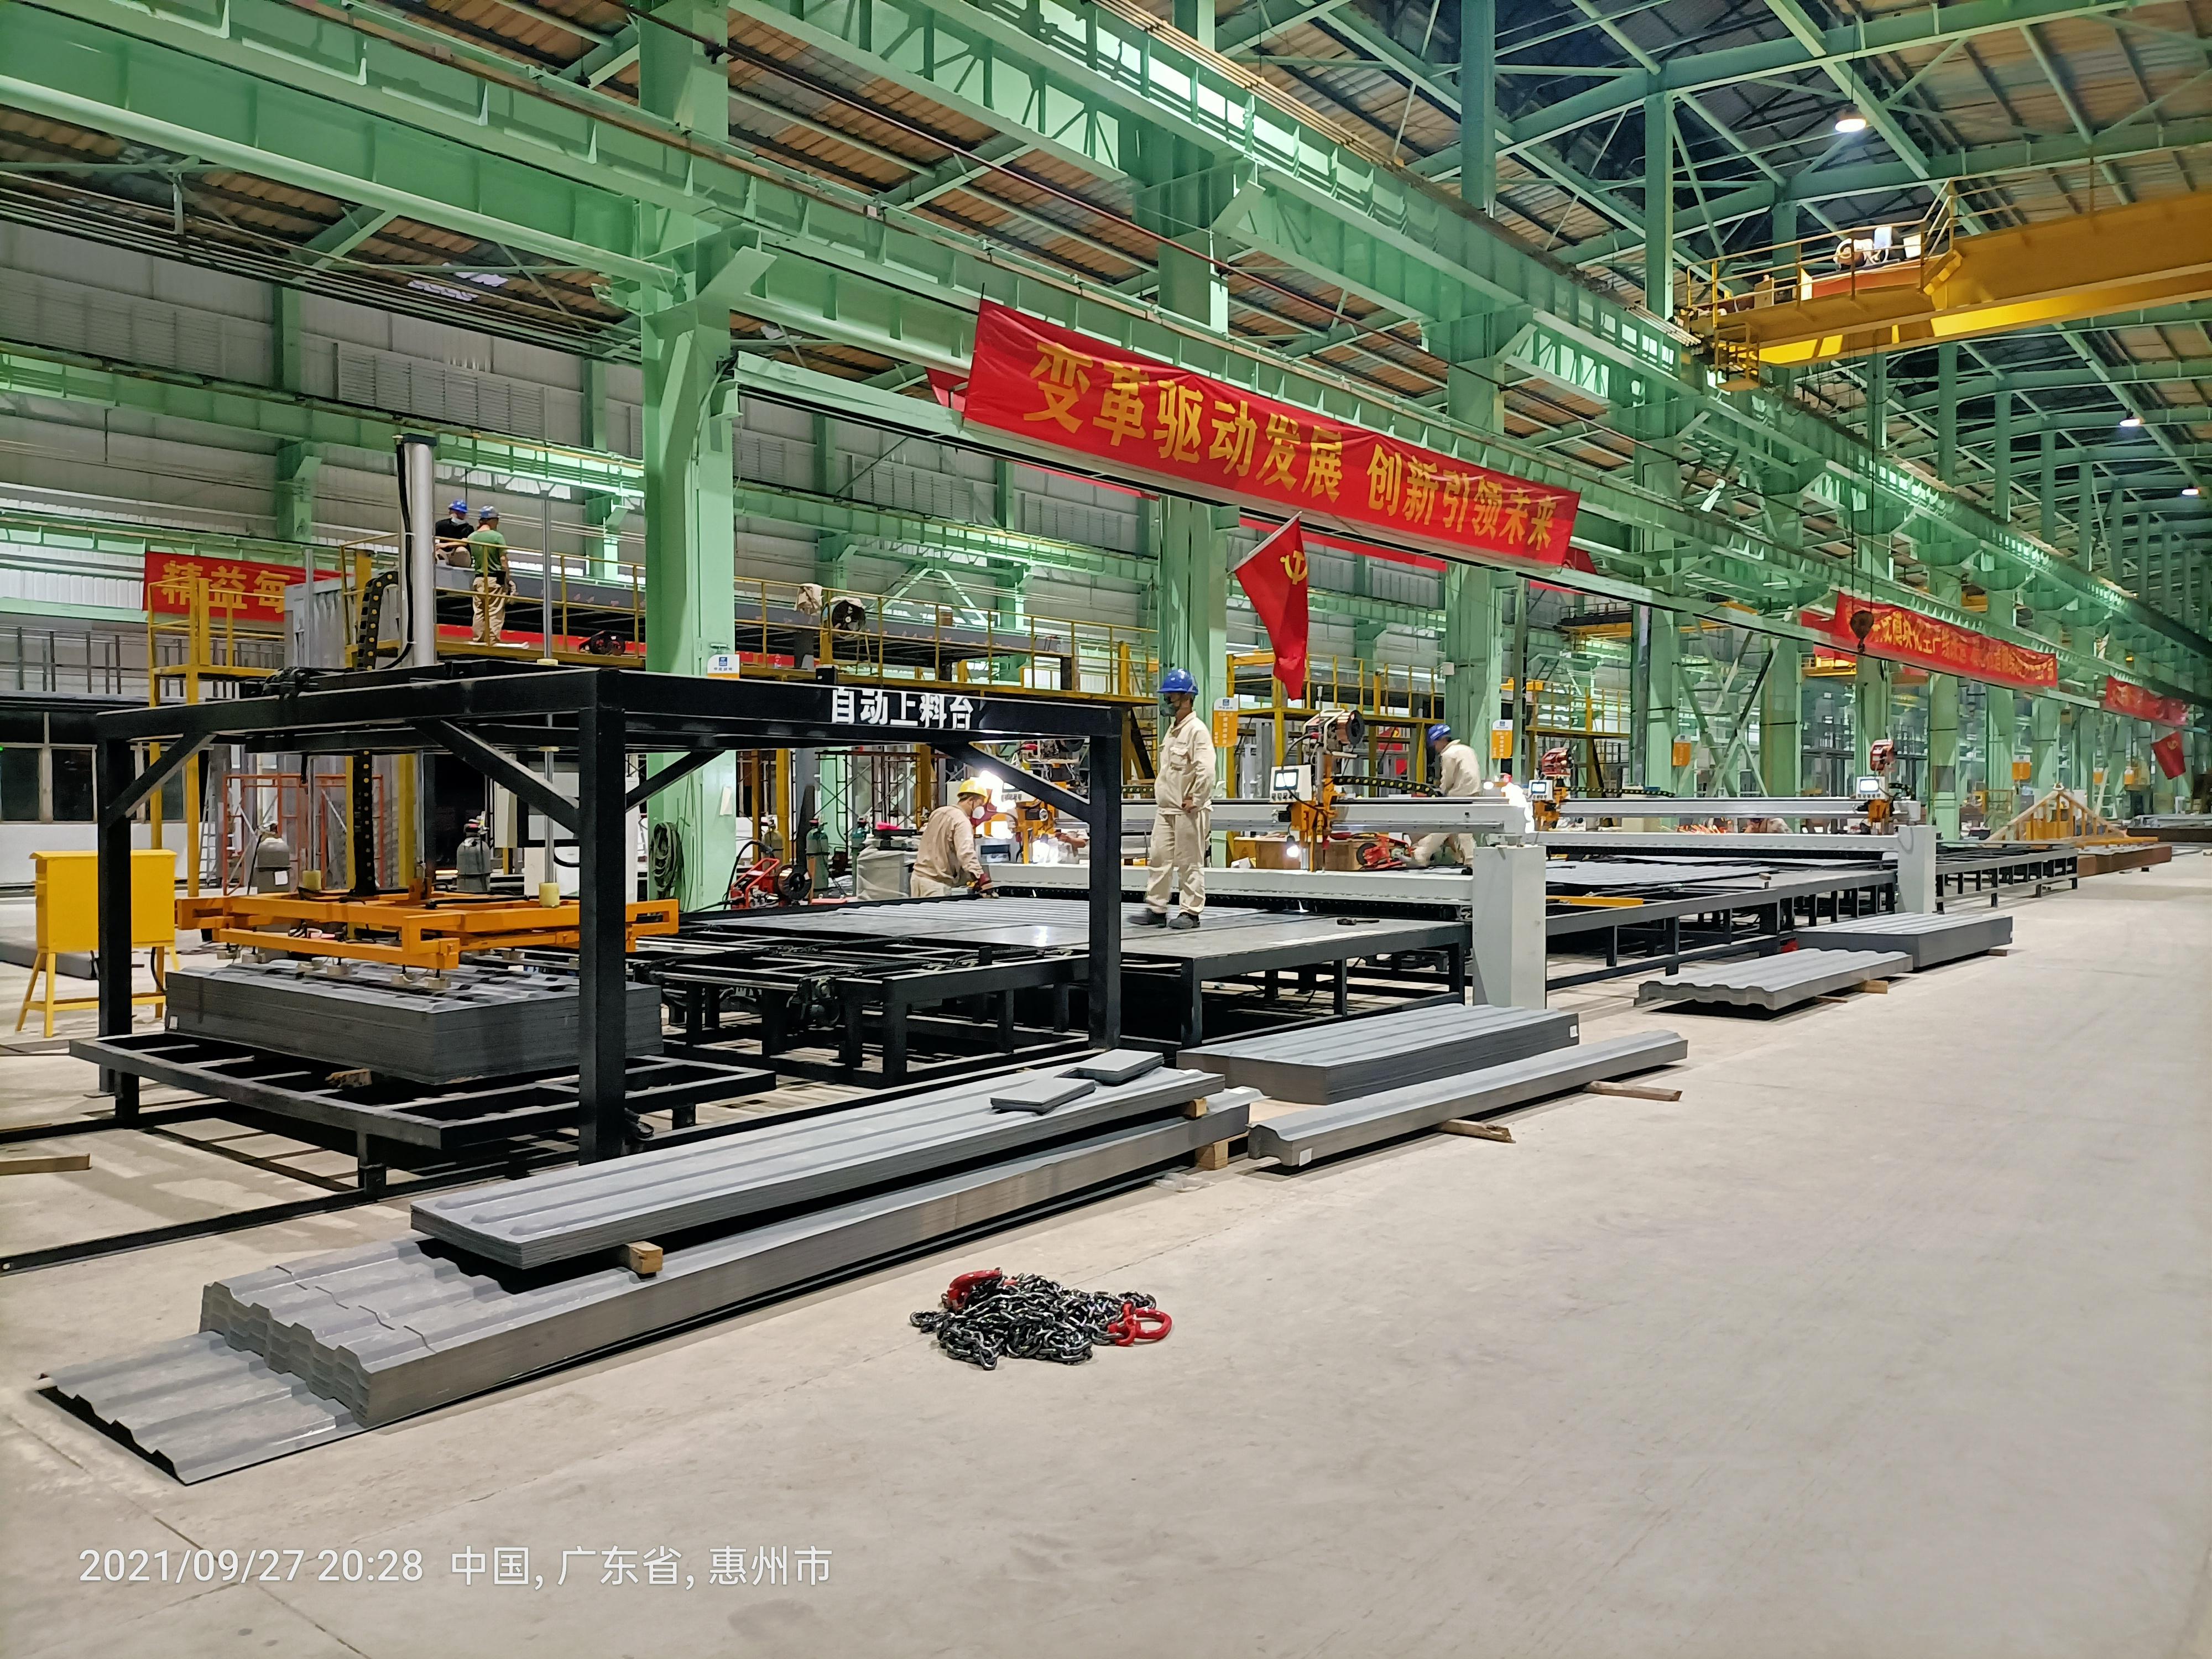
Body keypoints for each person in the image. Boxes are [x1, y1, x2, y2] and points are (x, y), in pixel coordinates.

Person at [1136, 667, 1213, 930]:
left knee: (1189, 863)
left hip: (1187, 811)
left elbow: (1207, 769)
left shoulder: (1197, 731)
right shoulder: (1173, 731)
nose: (1167, 700)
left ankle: (1190, 912)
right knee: (1159, 859)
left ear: (1187, 698)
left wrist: (1197, 799)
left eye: (1171, 696)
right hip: (1166, 809)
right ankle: (1156, 908)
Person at [1411, 722, 1484, 868]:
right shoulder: (1467, 750)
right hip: (1474, 793)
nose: (1435, 747)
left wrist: (1440, 792)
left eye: (1435, 743)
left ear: (1442, 740)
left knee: (1445, 826)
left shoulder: (1449, 754)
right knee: (1464, 829)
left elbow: (1448, 778)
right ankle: (1471, 861)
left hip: (1459, 795)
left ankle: (1422, 854)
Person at [911, 779, 995, 899]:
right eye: (980, 804)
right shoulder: (962, 821)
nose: (981, 809)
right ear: (971, 801)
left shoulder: (939, 812)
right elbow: (966, 853)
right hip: (936, 885)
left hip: (917, 879)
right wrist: (980, 877)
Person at [466, 507, 510, 643]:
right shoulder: (497, 537)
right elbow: (503, 560)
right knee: (495, 611)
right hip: (495, 578)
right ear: (490, 520)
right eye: (496, 520)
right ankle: (493, 640)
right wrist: (507, 579)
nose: (498, 523)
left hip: (478, 579)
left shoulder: (472, 537)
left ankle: (478, 639)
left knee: (479, 611)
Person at [433, 499, 473, 563]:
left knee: (462, 551)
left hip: (458, 557)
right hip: (442, 554)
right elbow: (436, 540)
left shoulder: (468, 529)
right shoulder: (441, 525)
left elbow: (465, 542)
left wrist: (445, 545)